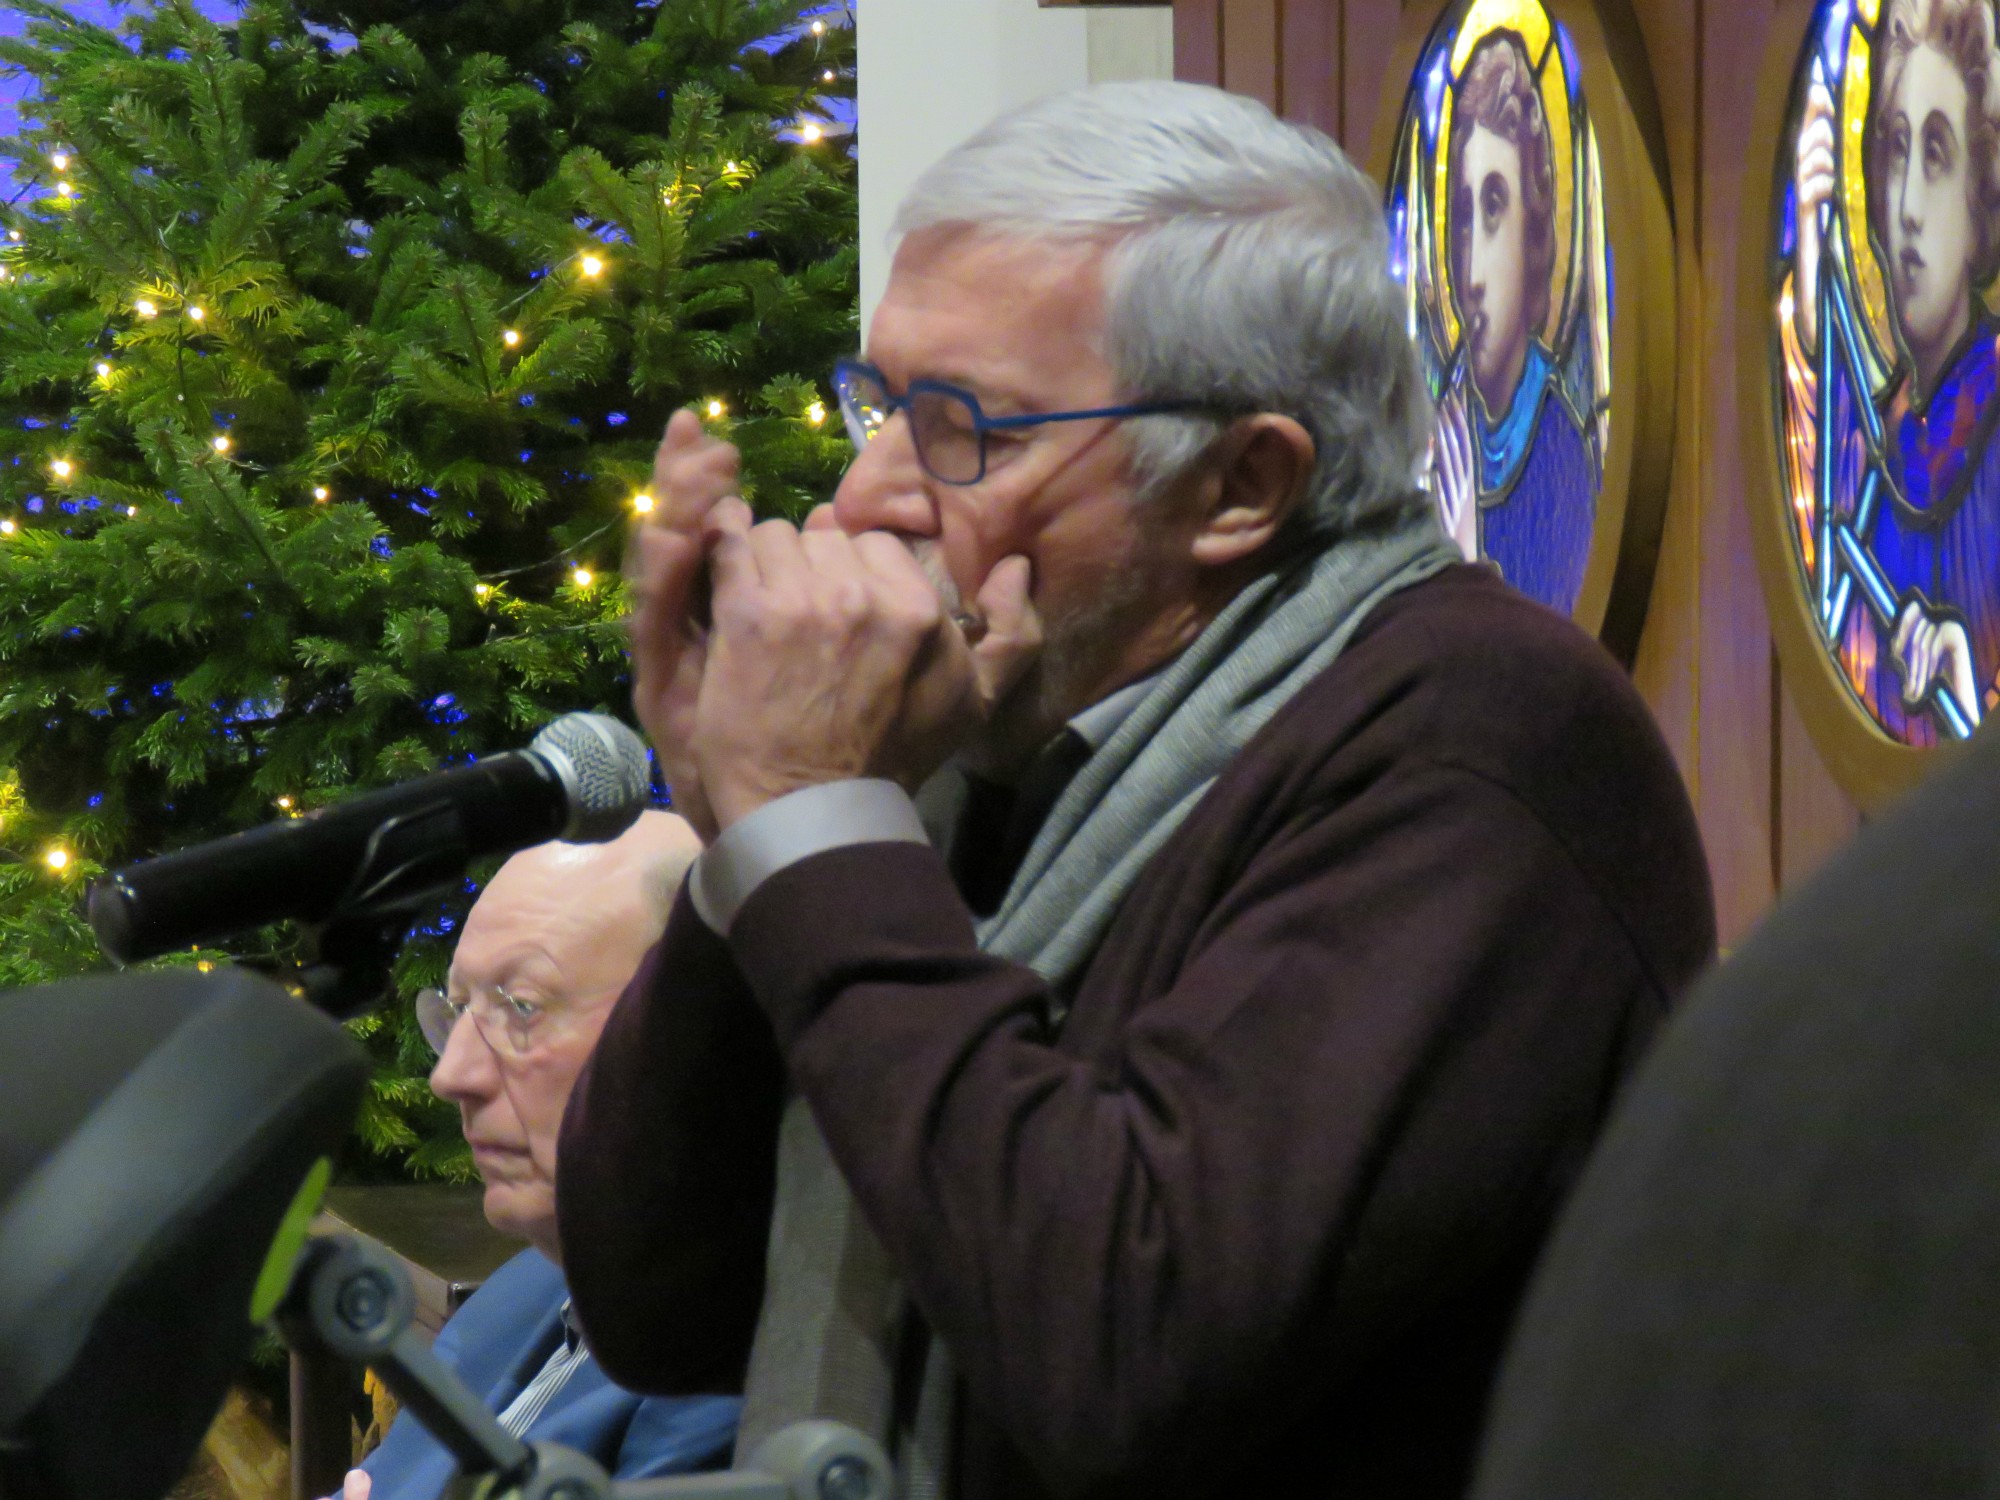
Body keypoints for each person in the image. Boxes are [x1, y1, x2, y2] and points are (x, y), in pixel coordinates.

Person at [560, 80, 1714, 1500]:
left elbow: (1129, 1341)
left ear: (1242, 483)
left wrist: (817, 827)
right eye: (878, 404)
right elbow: (655, 1302)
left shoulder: (1473, 738)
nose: (866, 500)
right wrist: (749, 838)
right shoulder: (966, 744)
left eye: (966, 426)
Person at [330, 812, 739, 1500]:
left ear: (706, 1035)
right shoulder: (537, 1280)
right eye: (458, 1010)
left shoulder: (738, 1382)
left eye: (521, 1008)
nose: (450, 1075)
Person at [1785, 0, 2000, 742]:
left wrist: (1971, 707)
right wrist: (1813, 300)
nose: (1904, 205)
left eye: (1936, 155)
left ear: (1984, 204)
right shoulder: (1882, 430)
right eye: (1893, 150)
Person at [1432, 28, 1599, 615]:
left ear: (1535, 233)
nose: (1469, 270)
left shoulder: (1562, 458)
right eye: (1460, 216)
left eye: (1495, 206)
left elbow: (1545, 670)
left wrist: (1464, 567)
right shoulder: (1441, 429)